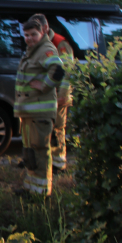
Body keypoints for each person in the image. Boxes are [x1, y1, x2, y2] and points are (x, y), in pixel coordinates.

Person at [14, 18, 64, 195]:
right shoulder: (32, 51)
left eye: (33, 34)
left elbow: (58, 70)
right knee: (30, 151)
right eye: (26, 35)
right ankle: (31, 187)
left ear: (42, 32)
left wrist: (44, 86)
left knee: (40, 151)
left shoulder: (45, 49)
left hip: (40, 111)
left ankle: (42, 192)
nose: (29, 38)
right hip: (29, 112)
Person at [29, 14, 73, 173]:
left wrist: (63, 95)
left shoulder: (60, 44)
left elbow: (67, 72)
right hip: (45, 94)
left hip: (58, 95)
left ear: (45, 28)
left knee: (57, 128)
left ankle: (59, 163)